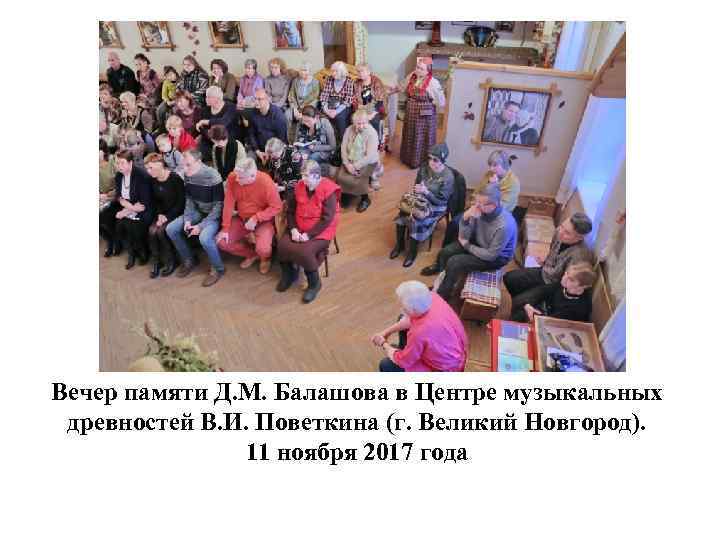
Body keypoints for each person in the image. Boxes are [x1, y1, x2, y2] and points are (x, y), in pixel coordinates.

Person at [421, 185, 517, 302]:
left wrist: (467, 246)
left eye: (480, 203)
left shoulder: (505, 225)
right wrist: (465, 219)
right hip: (480, 243)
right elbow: (465, 236)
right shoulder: (479, 211)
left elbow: (491, 255)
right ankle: (442, 280)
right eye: (476, 201)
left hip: (496, 257)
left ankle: (442, 296)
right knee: (446, 252)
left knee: (455, 262)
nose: (476, 206)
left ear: (493, 205)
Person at [276, 160, 341, 304]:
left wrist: (308, 235)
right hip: (299, 227)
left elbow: (327, 219)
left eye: (306, 176)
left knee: (304, 252)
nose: (303, 179)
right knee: (282, 246)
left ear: (317, 176)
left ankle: (314, 284)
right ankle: (289, 275)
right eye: (302, 175)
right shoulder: (300, 186)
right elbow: (291, 211)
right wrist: (293, 229)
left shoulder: (328, 190)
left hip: (321, 231)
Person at [503, 212, 595, 310]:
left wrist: (541, 292)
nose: (560, 232)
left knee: (519, 303)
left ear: (580, 238)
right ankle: (522, 298)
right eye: (562, 226)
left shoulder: (579, 256)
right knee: (509, 278)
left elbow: (566, 283)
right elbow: (552, 250)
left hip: (553, 285)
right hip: (544, 271)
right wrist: (545, 261)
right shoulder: (559, 232)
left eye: (567, 233)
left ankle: (524, 304)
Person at [371, 281, 467, 372]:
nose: (401, 308)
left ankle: (405, 353)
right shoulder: (432, 297)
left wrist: (384, 344)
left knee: (385, 365)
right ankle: (406, 350)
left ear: (413, 310)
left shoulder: (419, 332)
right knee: (401, 318)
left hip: (443, 369)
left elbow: (403, 361)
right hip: (454, 352)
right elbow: (410, 319)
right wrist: (386, 332)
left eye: (403, 308)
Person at [166, 149, 225, 287]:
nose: (184, 169)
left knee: (204, 237)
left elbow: (219, 207)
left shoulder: (213, 175)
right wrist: (187, 219)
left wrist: (201, 226)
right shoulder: (188, 175)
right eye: (183, 165)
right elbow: (190, 199)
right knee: (171, 229)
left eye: (188, 165)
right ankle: (189, 259)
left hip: (213, 215)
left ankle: (218, 268)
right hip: (198, 211)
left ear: (198, 162)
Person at [390, 143, 454, 267]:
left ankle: (412, 253)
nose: (431, 162)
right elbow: (416, 185)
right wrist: (417, 191)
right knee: (402, 213)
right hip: (422, 198)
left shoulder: (448, 177)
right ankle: (400, 245)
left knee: (417, 219)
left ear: (443, 161)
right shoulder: (424, 167)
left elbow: (441, 201)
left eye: (435, 160)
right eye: (430, 158)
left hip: (436, 205)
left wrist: (426, 192)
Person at [216, 158, 281, 274]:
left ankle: (265, 259)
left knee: (263, 249)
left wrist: (256, 218)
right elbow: (228, 204)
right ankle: (251, 254)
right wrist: (225, 228)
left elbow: (277, 207)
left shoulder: (266, 182)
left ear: (252, 176)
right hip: (242, 218)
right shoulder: (233, 177)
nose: (237, 179)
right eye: (236, 175)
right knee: (222, 242)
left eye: (240, 177)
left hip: (263, 221)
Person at [442, 150, 520, 247]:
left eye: (495, 165)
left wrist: (494, 186)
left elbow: (500, 208)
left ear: (504, 165)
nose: (491, 168)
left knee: (467, 229)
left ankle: (461, 248)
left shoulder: (513, 183)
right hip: (477, 208)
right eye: (490, 165)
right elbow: (476, 192)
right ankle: (445, 250)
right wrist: (474, 204)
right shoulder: (489, 174)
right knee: (454, 223)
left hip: (494, 218)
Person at [106, 149, 153, 269]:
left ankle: (142, 252)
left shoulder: (141, 176)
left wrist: (127, 210)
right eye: (117, 163)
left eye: (122, 163)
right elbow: (119, 196)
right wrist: (128, 208)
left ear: (130, 163)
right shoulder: (119, 175)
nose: (119, 166)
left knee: (131, 226)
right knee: (117, 223)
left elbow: (144, 203)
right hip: (129, 206)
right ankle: (131, 253)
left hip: (144, 208)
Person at [396, 57, 445, 169]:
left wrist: (430, 106)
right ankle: (408, 159)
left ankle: (421, 161)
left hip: (425, 116)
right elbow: (402, 87)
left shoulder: (433, 83)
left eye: (421, 69)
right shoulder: (412, 76)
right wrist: (390, 91)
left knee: (422, 137)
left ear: (428, 71)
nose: (418, 70)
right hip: (411, 112)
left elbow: (441, 101)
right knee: (410, 134)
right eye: (417, 67)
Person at [510, 261, 595, 323]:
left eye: (571, 279)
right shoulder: (564, 286)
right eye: (566, 273)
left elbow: (552, 321)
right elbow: (542, 291)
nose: (564, 278)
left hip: (553, 324)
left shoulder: (579, 307)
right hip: (545, 310)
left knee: (521, 314)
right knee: (520, 302)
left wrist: (532, 312)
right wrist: (528, 304)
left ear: (582, 286)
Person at [144, 153, 185, 278]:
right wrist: (160, 214)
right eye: (147, 168)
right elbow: (156, 201)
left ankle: (172, 260)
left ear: (160, 165)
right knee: (152, 231)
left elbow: (181, 203)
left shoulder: (175, 178)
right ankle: (157, 262)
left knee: (161, 231)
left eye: (150, 168)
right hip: (162, 213)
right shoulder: (153, 180)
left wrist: (167, 216)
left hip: (176, 212)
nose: (148, 171)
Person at [336, 110, 379, 213]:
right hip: (350, 160)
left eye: (364, 123)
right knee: (341, 176)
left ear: (367, 122)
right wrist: (346, 164)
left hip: (367, 162)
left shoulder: (372, 133)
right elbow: (343, 148)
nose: (361, 126)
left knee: (358, 177)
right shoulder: (349, 130)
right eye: (358, 123)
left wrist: (354, 166)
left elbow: (369, 156)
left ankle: (365, 199)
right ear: (354, 123)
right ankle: (347, 193)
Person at [196, 86, 239, 161]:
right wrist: (212, 138)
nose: (206, 99)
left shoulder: (231, 107)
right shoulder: (205, 110)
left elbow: (223, 123)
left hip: (226, 140)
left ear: (217, 98)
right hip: (209, 140)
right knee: (201, 152)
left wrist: (206, 121)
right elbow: (202, 128)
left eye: (208, 97)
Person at [246, 88, 288, 161]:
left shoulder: (278, 116)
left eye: (259, 99)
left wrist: (268, 153)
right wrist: (257, 151)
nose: (256, 102)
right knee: (248, 161)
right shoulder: (253, 113)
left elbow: (281, 140)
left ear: (267, 99)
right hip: (257, 148)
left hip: (273, 150)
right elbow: (251, 133)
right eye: (255, 99)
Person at [292, 105, 336, 172]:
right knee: (297, 159)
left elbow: (333, 146)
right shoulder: (301, 122)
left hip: (321, 151)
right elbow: (296, 142)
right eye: (304, 120)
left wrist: (315, 148)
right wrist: (297, 152)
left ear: (316, 118)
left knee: (310, 159)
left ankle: (313, 172)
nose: (306, 123)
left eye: (308, 121)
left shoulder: (325, 123)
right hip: (306, 149)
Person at [320, 61, 355, 141]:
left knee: (340, 117)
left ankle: (343, 141)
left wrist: (336, 112)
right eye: (332, 71)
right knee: (321, 116)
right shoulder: (329, 79)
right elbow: (324, 96)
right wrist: (326, 110)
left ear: (342, 72)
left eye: (336, 71)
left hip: (343, 105)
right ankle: (326, 142)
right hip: (329, 104)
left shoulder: (349, 81)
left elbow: (348, 100)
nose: (333, 73)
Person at [353, 63, 386, 139]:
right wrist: (359, 108)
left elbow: (380, 101)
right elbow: (354, 99)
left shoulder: (376, 82)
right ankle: (359, 141)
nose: (360, 73)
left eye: (362, 71)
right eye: (358, 71)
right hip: (361, 108)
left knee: (374, 121)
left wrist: (372, 114)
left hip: (374, 109)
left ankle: (376, 141)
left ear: (369, 72)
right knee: (355, 119)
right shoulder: (356, 83)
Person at [288, 61, 320, 138]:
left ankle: (299, 139)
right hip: (296, 107)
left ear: (310, 71)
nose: (302, 72)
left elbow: (315, 98)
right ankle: (288, 138)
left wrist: (303, 111)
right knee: (287, 115)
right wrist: (294, 109)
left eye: (305, 70)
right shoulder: (295, 81)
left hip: (308, 108)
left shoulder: (315, 82)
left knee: (302, 118)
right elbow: (291, 96)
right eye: (301, 70)